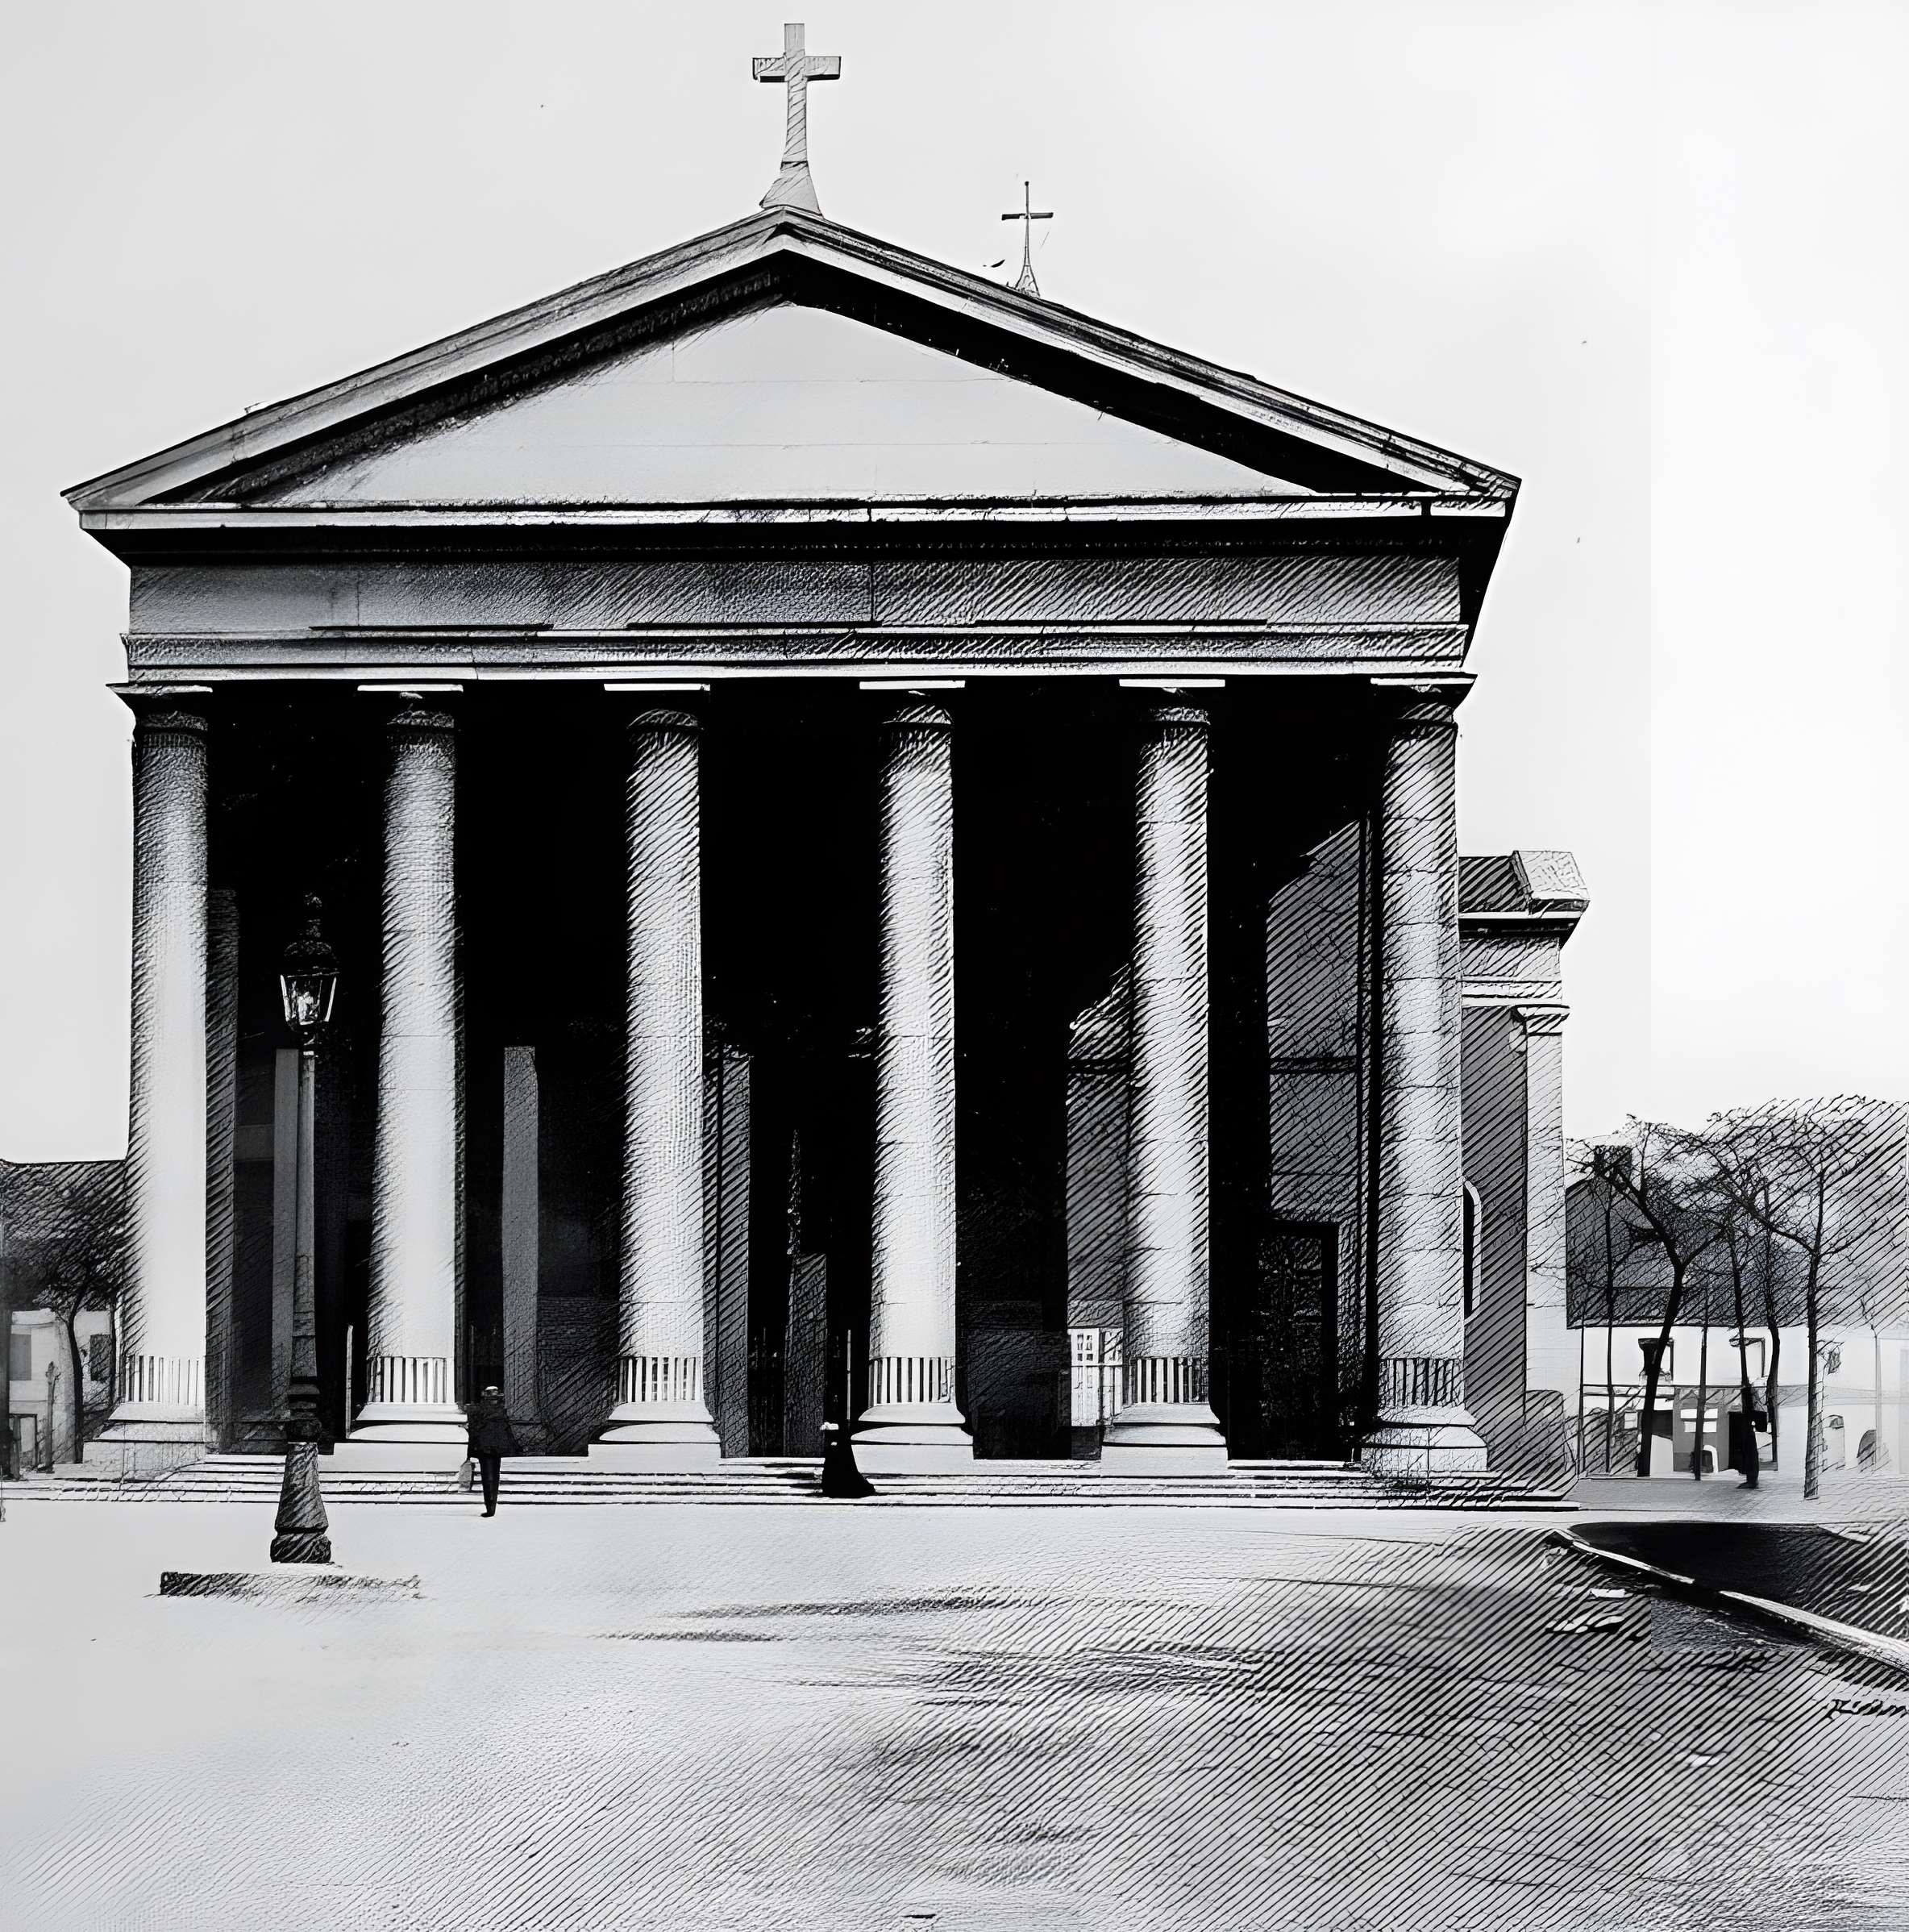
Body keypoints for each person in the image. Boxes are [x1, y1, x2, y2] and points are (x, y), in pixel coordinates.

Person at [465, 1384, 520, 1517]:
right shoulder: (502, 1412)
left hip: (484, 1448)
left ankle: (490, 1506)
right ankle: (492, 1507)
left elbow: (475, 1430)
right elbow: (507, 1432)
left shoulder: (479, 1411)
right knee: (495, 1478)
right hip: (497, 1448)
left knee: (488, 1478)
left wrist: (471, 1448)